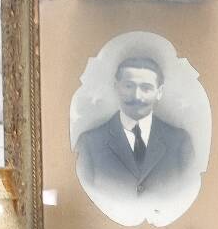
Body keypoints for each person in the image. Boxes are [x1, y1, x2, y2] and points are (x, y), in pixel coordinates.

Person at [74, 56, 195, 197]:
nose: (137, 96)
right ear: (116, 87)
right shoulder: (89, 143)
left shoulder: (180, 141)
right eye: (129, 86)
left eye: (146, 88)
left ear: (159, 92)